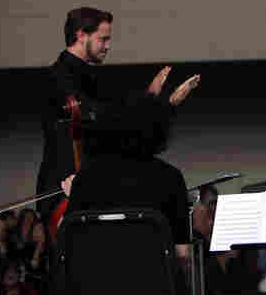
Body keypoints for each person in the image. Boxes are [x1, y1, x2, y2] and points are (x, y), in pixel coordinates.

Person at [37, 6, 200, 221]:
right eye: (103, 39)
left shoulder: (91, 76)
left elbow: (118, 121)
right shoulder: (58, 77)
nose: (108, 46)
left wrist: (158, 104)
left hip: (87, 186)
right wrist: (160, 104)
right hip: (65, 187)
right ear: (80, 35)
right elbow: (106, 122)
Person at [59, 110, 192, 291]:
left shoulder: (87, 177)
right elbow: (182, 255)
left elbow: (64, 239)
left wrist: (73, 195)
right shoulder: (171, 177)